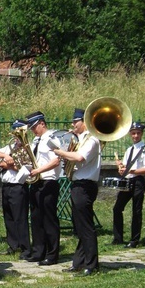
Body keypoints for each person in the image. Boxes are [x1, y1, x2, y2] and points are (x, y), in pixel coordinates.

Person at [52, 108, 101, 275]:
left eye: (76, 121)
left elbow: (79, 158)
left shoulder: (93, 140)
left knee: (86, 226)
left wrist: (60, 153)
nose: (73, 124)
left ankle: (92, 265)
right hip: (77, 184)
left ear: (85, 122)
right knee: (79, 226)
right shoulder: (80, 139)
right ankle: (79, 262)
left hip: (85, 185)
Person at [0, 119, 32, 259]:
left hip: (18, 186)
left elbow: (27, 168)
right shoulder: (10, 147)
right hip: (6, 186)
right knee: (8, 217)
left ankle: (25, 248)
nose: (15, 136)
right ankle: (13, 245)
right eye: (14, 132)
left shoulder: (28, 148)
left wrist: (9, 165)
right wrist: (5, 156)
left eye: (18, 132)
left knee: (20, 218)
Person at [26, 111, 62, 265]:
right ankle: (38, 251)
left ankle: (52, 254)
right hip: (36, 182)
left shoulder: (52, 138)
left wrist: (38, 171)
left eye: (35, 127)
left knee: (49, 219)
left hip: (48, 181)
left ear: (42, 123)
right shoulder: (35, 140)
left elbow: (56, 161)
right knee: (36, 218)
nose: (33, 130)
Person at [111, 122, 145, 248]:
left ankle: (135, 239)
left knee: (136, 210)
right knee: (117, 208)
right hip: (128, 180)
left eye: (138, 133)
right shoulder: (129, 149)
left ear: (141, 134)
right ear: (130, 134)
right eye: (133, 133)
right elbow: (125, 167)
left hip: (138, 180)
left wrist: (131, 171)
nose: (135, 136)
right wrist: (121, 168)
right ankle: (118, 238)